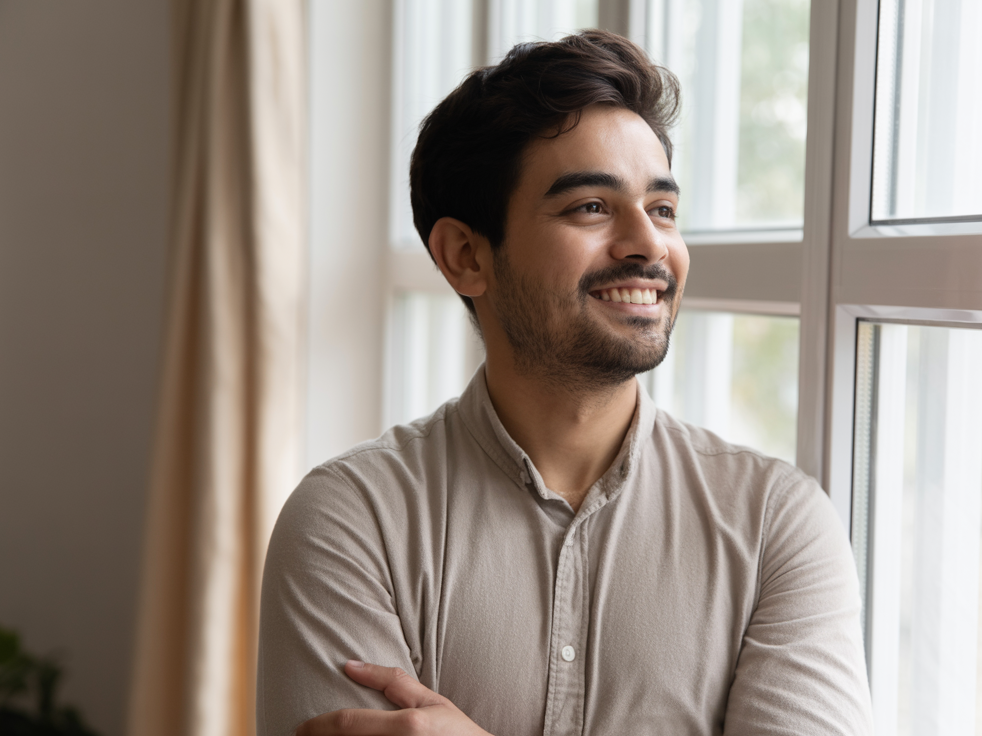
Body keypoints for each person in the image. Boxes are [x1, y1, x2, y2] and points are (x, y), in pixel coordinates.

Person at [258, 30, 871, 736]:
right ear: (465, 256)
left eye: (663, 209)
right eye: (591, 207)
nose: (649, 244)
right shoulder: (349, 522)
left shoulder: (777, 528)